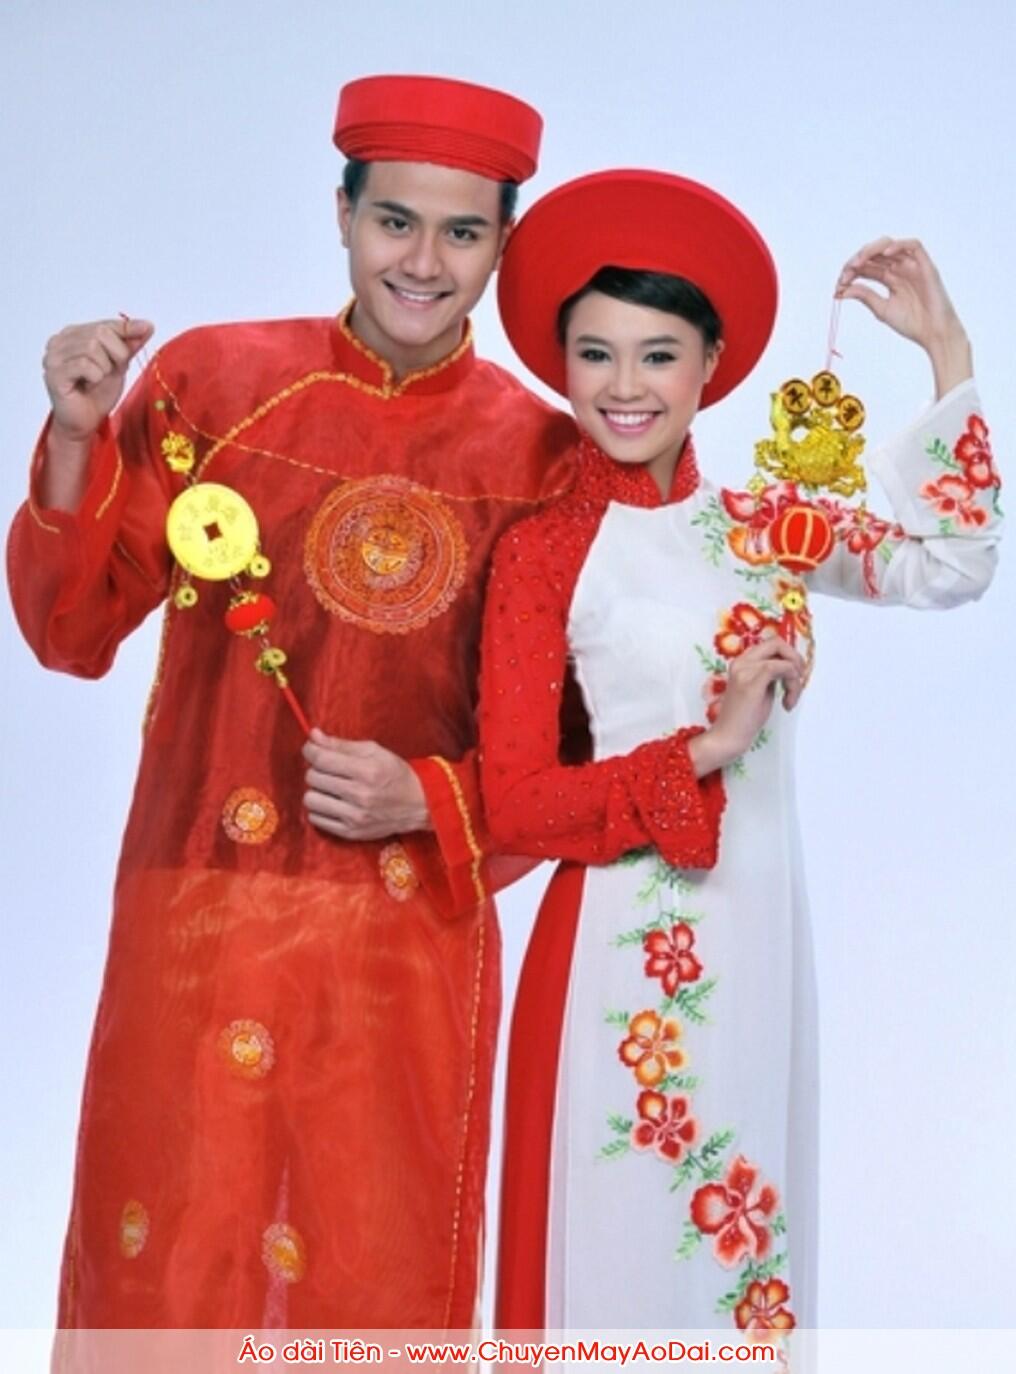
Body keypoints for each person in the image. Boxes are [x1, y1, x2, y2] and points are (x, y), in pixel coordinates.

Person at [6, 75, 577, 1331]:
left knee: (371, 1275)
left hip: (402, 940)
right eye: (394, 222)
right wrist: (74, 441)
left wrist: (427, 797)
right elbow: (68, 631)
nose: (421, 263)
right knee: (170, 1266)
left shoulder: (543, 461)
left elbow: (576, 767)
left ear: (503, 244)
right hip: (197, 914)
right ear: (341, 214)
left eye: (462, 233)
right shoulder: (212, 384)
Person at [479, 170, 1002, 1331]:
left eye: (657, 355)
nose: (624, 387)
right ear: (560, 364)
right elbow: (512, 804)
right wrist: (703, 749)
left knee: (740, 1259)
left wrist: (948, 354)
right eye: (594, 355)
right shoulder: (544, 554)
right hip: (621, 953)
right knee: (622, 1256)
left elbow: (950, 566)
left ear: (710, 363)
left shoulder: (764, 527)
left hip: (758, 931)